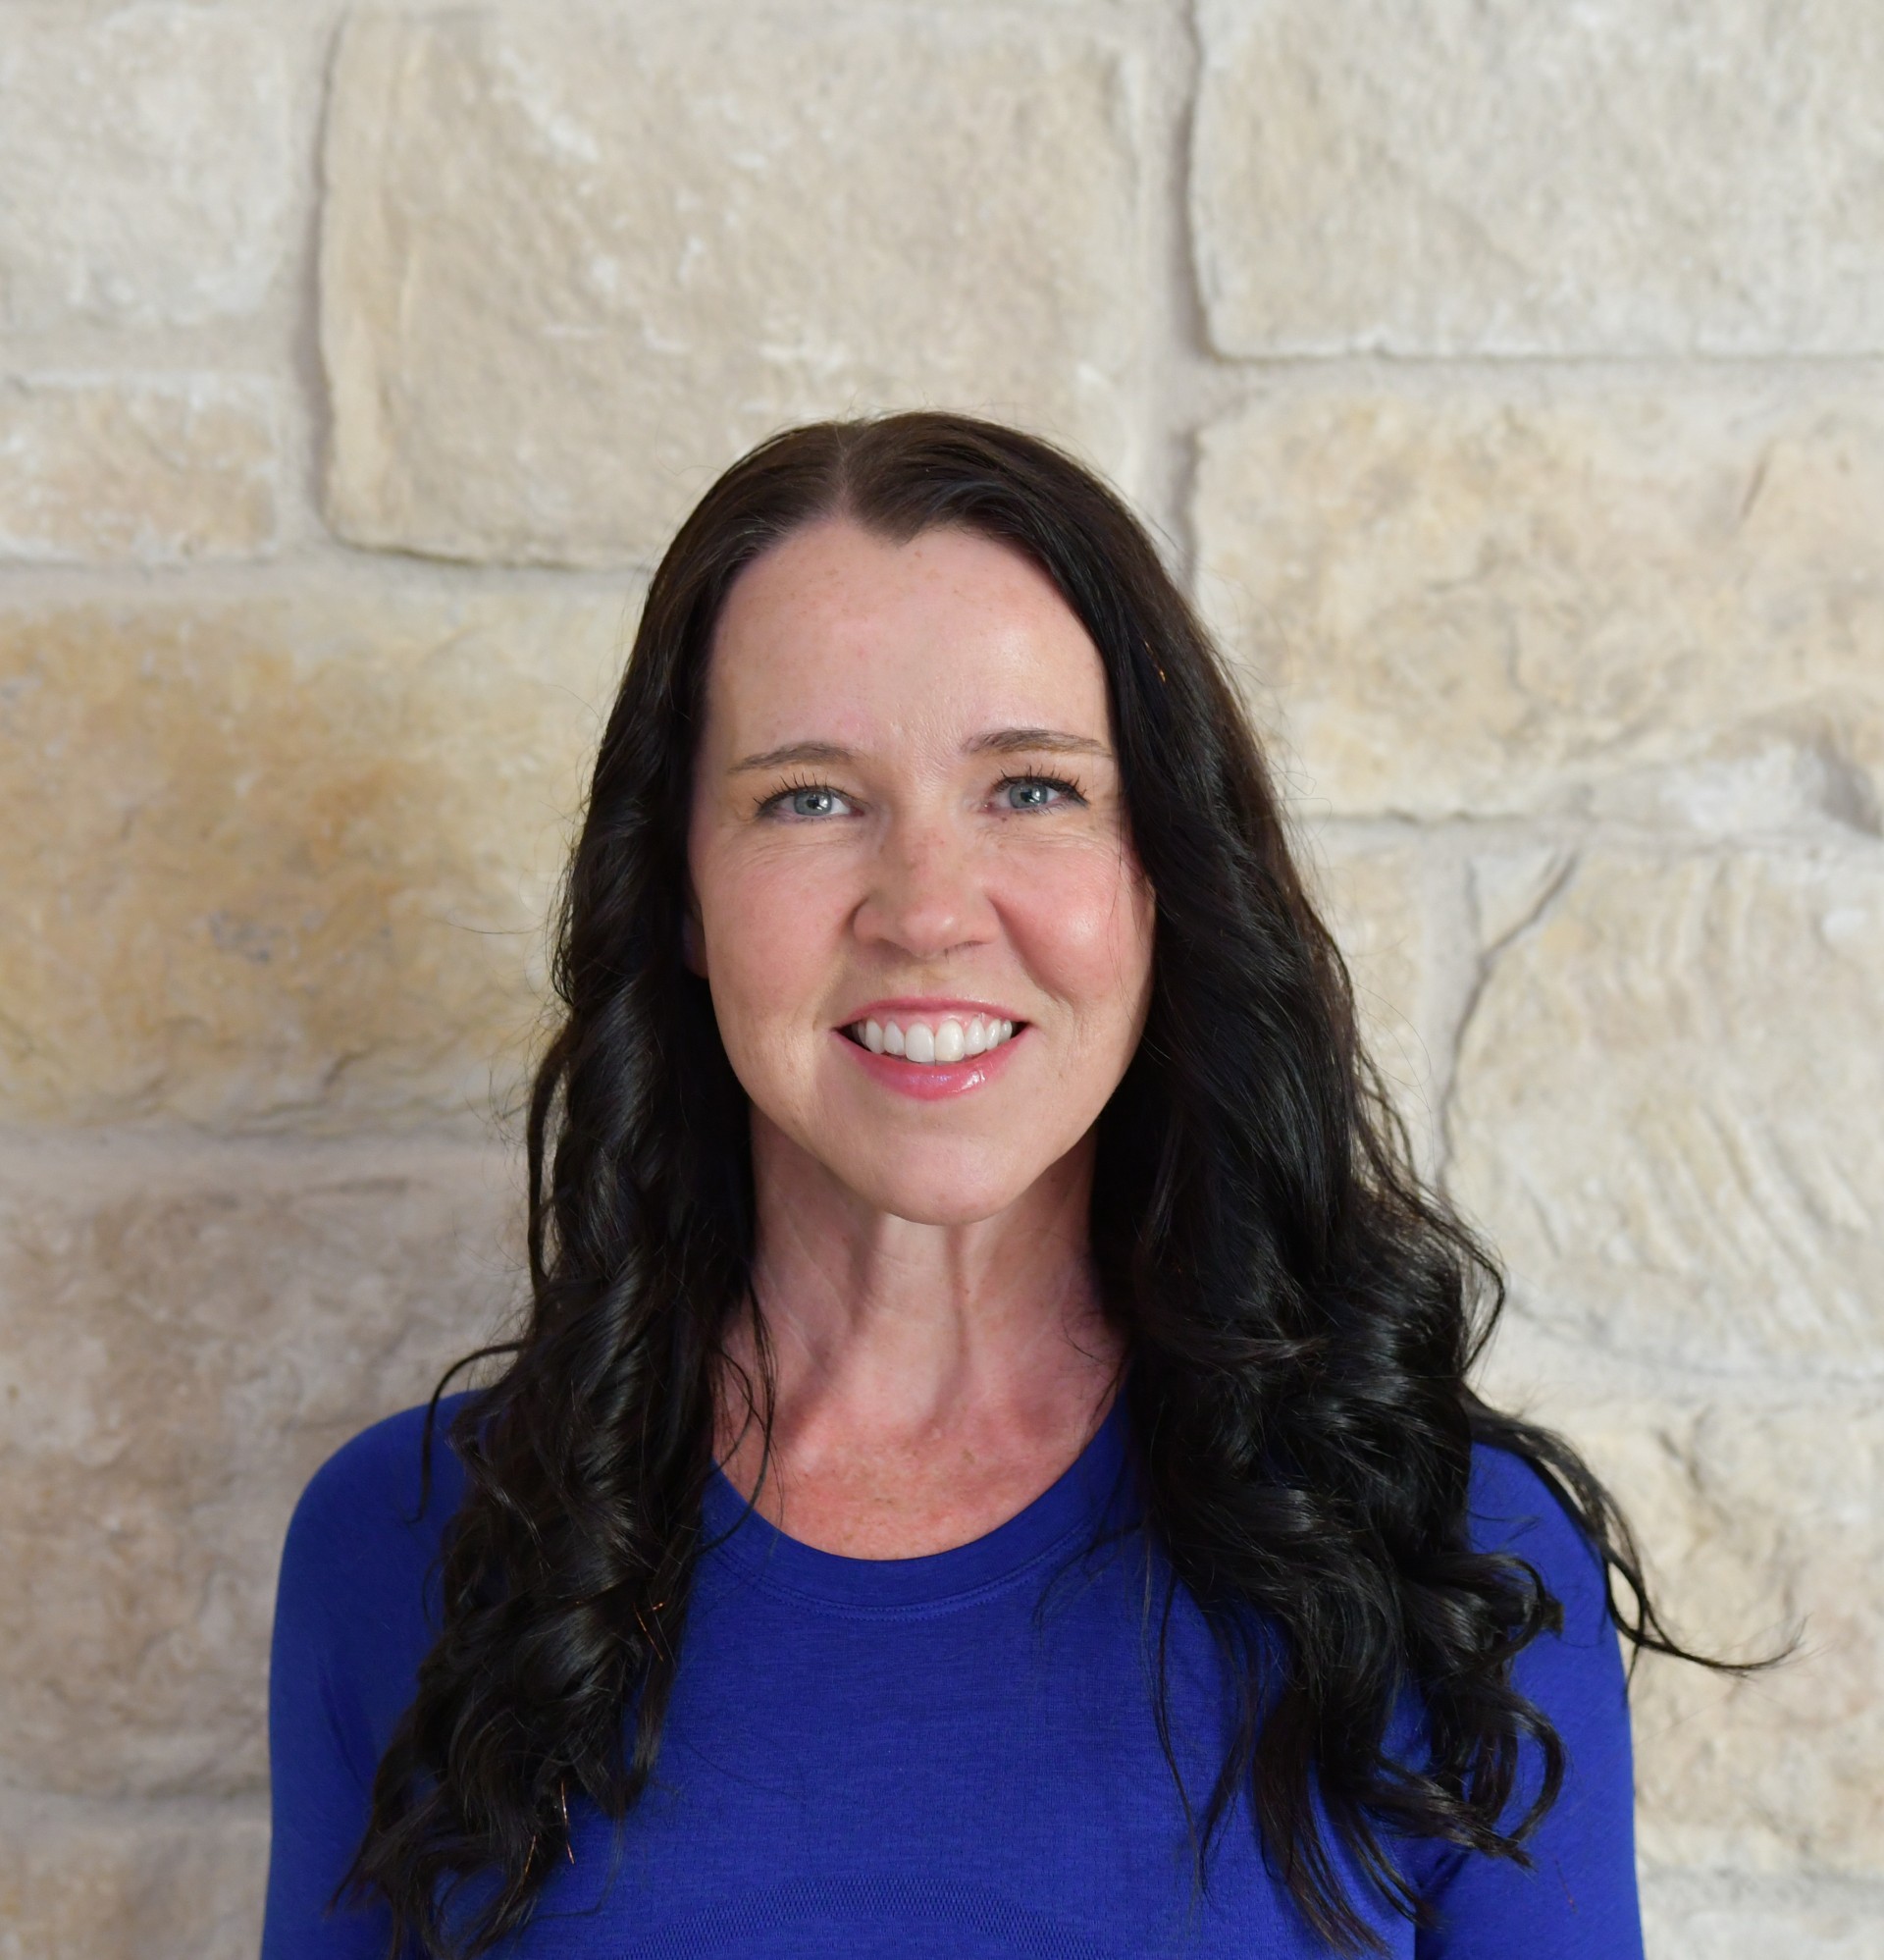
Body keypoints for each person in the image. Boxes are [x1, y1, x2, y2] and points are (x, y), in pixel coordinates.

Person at [261, 413, 1700, 1958]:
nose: (928, 911)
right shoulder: (410, 1546)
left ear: (1161, 876)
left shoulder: (1447, 1558)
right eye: (809, 797)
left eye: (1031, 788)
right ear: (678, 890)